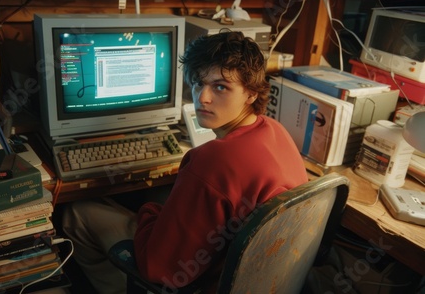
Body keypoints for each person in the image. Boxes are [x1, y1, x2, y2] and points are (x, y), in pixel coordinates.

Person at [62, 31, 308, 293]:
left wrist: (151, 212)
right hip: (261, 280)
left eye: (221, 86)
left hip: (202, 282)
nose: (202, 97)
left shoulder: (212, 159)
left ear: (251, 93)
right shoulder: (275, 130)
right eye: (198, 82)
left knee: (77, 212)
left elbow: (159, 268)